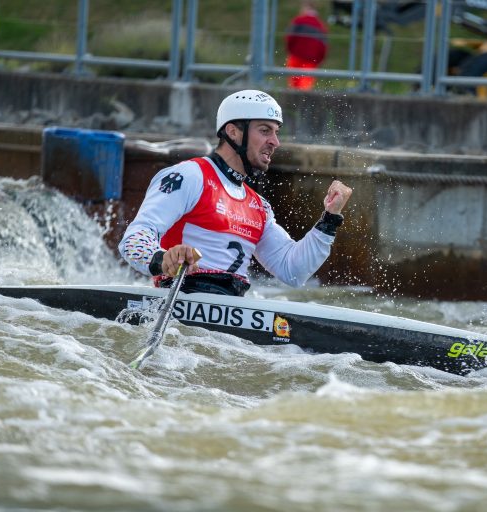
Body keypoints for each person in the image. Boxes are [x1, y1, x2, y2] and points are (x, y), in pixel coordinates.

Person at [118, 89, 353, 296]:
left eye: (276, 132)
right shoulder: (190, 176)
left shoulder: (258, 206)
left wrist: (329, 219)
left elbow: (293, 271)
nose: (275, 142)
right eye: (265, 130)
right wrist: (162, 258)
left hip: (228, 314)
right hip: (177, 301)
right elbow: (134, 239)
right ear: (233, 132)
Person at [284, 1, 329, 90]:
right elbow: (323, 46)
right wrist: (319, 59)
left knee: (293, 82)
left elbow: (290, 37)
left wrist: (290, 50)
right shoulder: (320, 26)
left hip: (296, 55)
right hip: (311, 59)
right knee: (305, 84)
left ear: (305, 8)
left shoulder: (298, 20)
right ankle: (302, 101)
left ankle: (292, 100)